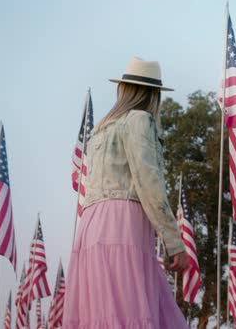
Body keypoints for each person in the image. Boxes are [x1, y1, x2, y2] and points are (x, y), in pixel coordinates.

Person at [63, 57, 190, 329]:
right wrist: (174, 242)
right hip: (123, 225)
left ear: (123, 89)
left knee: (103, 315)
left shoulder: (100, 130)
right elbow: (149, 182)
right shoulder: (139, 120)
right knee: (130, 314)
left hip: (92, 226)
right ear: (153, 95)